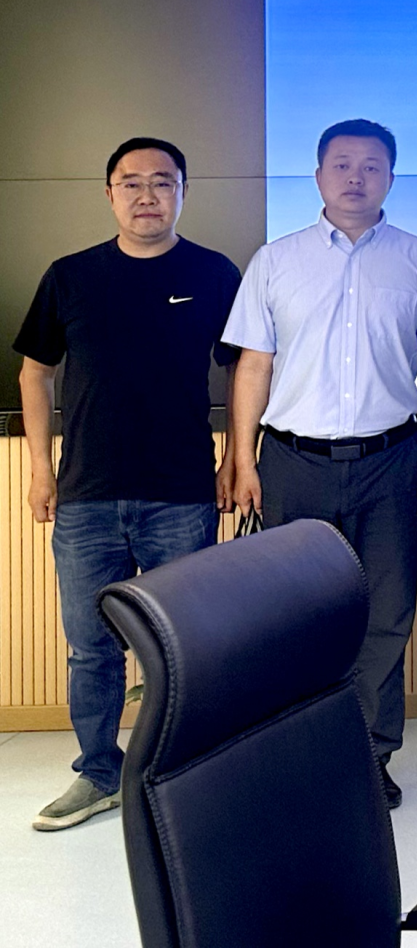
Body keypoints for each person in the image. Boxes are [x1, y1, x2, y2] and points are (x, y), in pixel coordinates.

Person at [13, 138, 242, 832]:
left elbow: (243, 369)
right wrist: (40, 467)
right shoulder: (70, 275)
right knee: (92, 647)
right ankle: (98, 773)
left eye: (163, 182)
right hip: (86, 496)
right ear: (109, 193)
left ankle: (183, 770)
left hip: (182, 493)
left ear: (183, 192)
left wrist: (239, 455)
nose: (147, 195)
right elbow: (34, 373)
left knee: (184, 644)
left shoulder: (213, 272)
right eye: (132, 182)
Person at [223, 119, 417, 807]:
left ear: (390, 177)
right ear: (319, 175)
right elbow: (253, 366)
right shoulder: (276, 260)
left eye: (372, 165)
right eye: (342, 164)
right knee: (296, 615)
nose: (356, 177)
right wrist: (242, 458)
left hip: (391, 458)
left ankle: (370, 756)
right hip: (293, 460)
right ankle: (302, 752)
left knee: (387, 613)